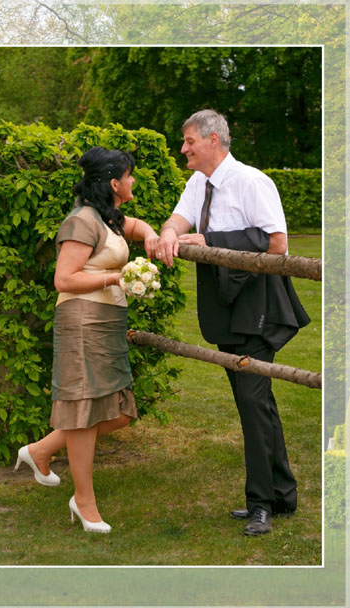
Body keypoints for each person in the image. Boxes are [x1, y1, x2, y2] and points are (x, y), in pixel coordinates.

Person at [155, 109, 309, 536]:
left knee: (253, 407)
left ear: (214, 141)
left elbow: (277, 244)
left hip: (256, 306)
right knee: (256, 405)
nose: (183, 148)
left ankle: (260, 503)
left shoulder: (252, 182)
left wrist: (210, 241)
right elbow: (179, 219)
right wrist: (169, 233)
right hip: (225, 307)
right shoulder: (196, 183)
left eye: (188, 141)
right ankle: (283, 494)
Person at [15, 146, 158, 534]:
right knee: (82, 412)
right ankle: (84, 501)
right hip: (82, 321)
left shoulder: (108, 218)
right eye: (129, 176)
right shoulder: (82, 221)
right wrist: (118, 277)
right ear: (114, 183)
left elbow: (134, 226)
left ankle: (41, 450)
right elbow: (64, 279)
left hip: (108, 322)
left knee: (120, 411)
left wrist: (150, 235)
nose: (133, 182)